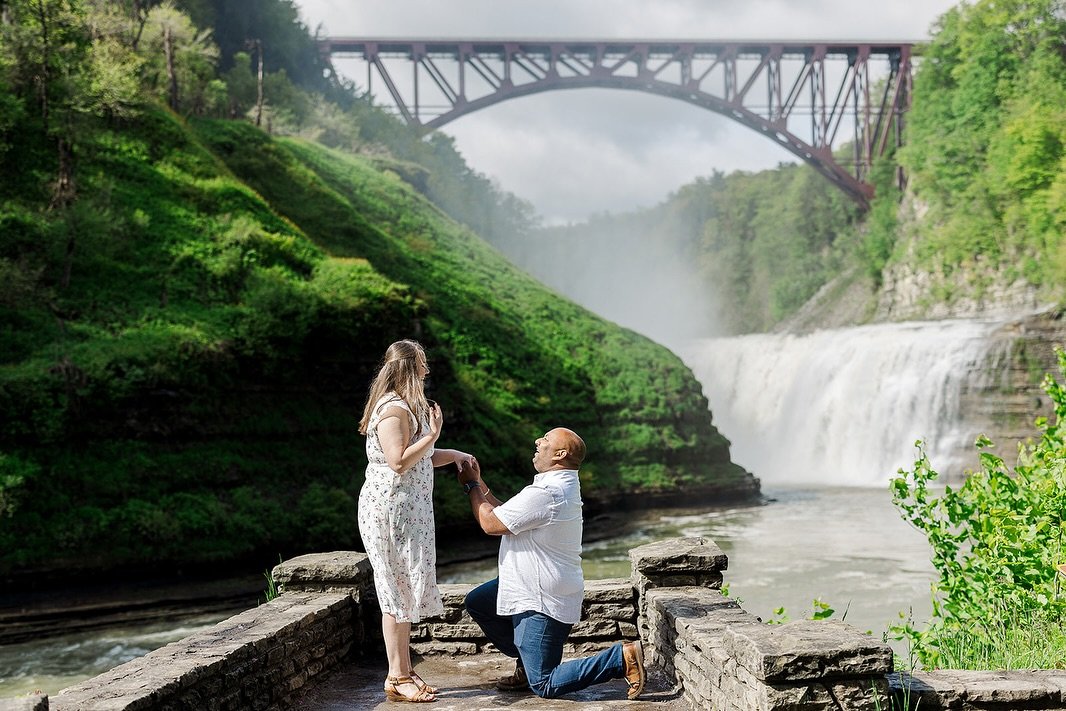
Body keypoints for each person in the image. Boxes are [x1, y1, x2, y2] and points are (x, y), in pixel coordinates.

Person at [457, 427, 646, 700]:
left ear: (560, 453)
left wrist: (471, 485)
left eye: (545, 439)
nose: (537, 441)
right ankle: (527, 660)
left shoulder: (549, 492)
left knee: (545, 684)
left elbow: (491, 523)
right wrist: (481, 483)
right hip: (529, 584)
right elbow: (507, 513)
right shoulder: (557, 484)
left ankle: (620, 658)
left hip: (539, 597)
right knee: (479, 601)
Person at [357, 339, 477, 703]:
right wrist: (434, 434)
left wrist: (452, 452)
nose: (427, 371)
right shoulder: (393, 411)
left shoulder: (410, 408)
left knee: (404, 589)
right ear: (409, 369)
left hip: (408, 511)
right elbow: (398, 461)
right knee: (395, 591)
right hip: (390, 511)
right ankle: (396, 676)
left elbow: (420, 457)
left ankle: (405, 672)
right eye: (422, 364)